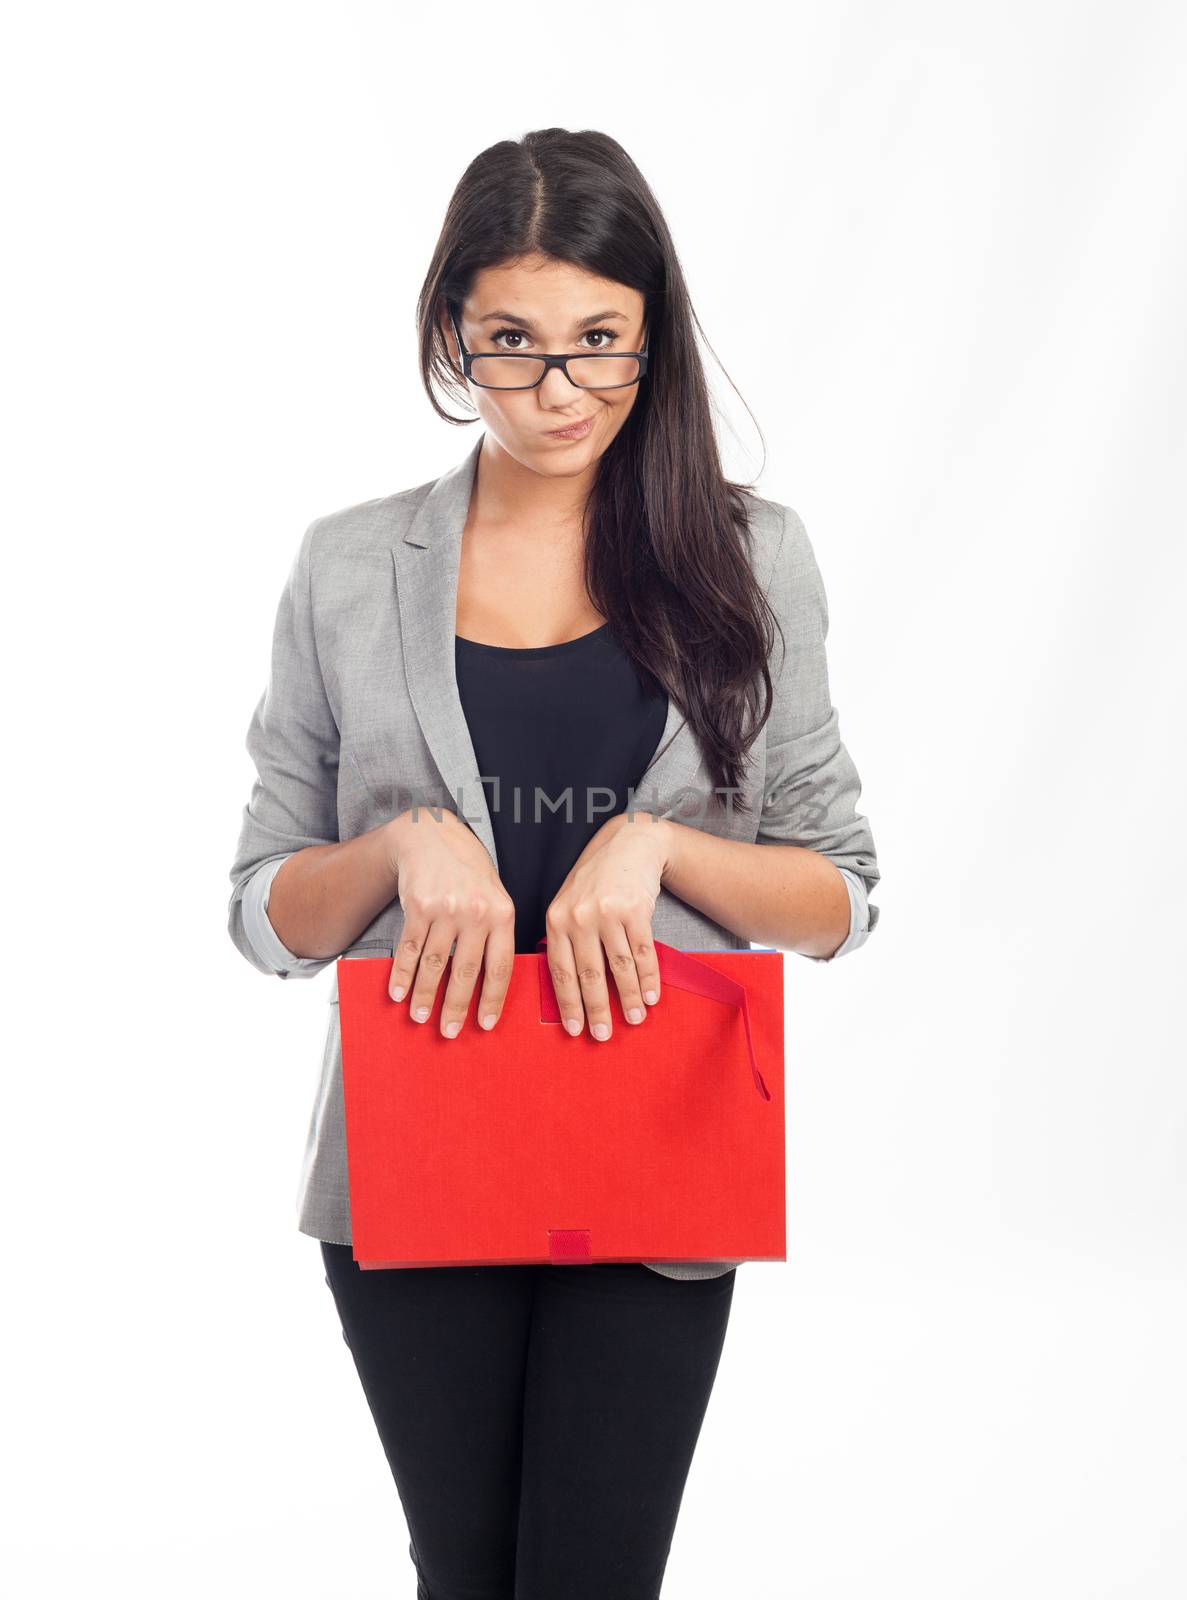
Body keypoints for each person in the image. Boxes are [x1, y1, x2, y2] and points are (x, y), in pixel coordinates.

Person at [227, 126, 880, 1600]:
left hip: (659, 1154)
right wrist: (398, 846)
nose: (559, 390)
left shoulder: (748, 559)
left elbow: (842, 889)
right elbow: (262, 911)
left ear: (653, 335)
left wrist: (661, 848)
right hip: (417, 1156)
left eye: (601, 343)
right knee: (465, 1576)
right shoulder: (348, 567)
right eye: (513, 345)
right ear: (453, 329)